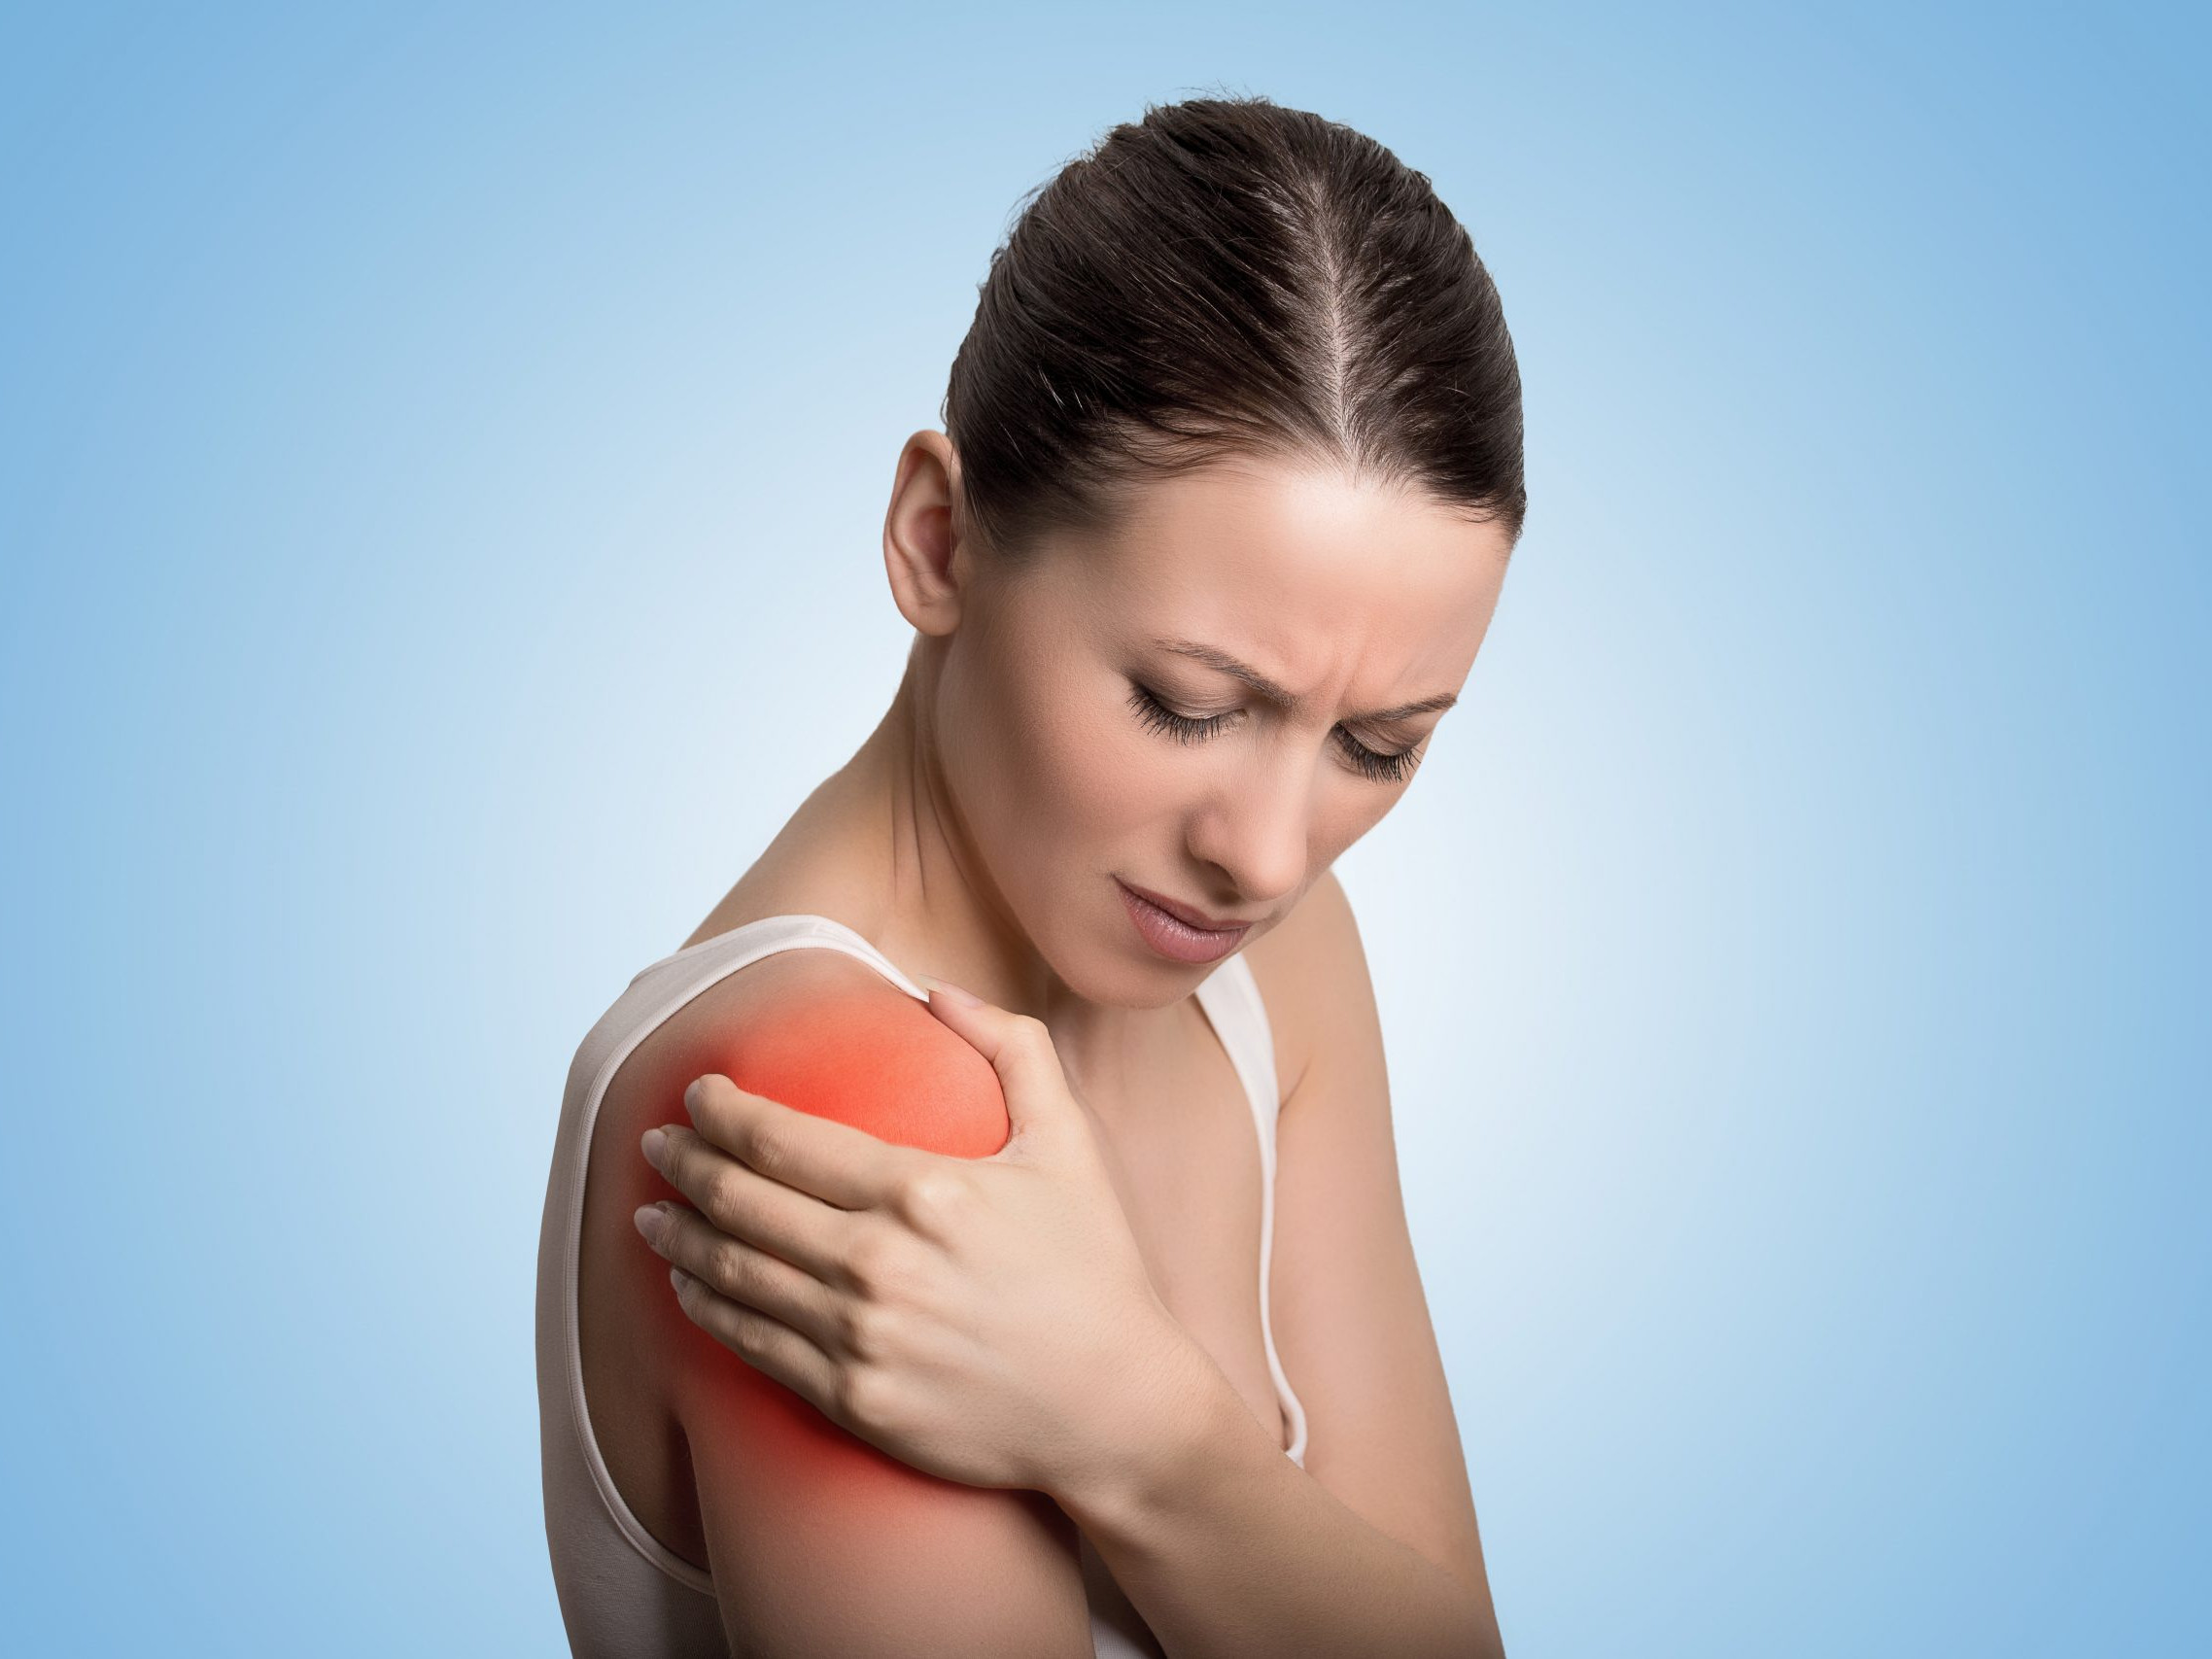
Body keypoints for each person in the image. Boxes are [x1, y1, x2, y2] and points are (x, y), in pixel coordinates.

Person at [536, 91, 1524, 1657]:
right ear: (939, 540)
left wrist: (1139, 1434)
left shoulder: (1281, 961)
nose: (1266, 855)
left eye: (1378, 747)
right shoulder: (830, 1098)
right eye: (1188, 705)